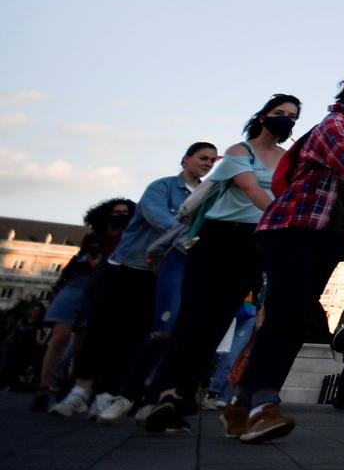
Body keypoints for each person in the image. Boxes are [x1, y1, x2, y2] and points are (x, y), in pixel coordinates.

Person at [237, 60, 344, 444]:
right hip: (296, 227)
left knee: (294, 316)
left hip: (329, 236)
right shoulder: (335, 126)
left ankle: (242, 398)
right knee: (285, 313)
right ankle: (262, 404)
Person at [140, 95, 302, 434]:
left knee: (218, 323)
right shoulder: (239, 152)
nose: (285, 120)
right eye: (279, 113)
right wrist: (282, 217)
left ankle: (184, 395)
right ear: (262, 116)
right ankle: (165, 393)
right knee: (193, 318)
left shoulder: (289, 159)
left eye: (292, 116)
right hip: (219, 238)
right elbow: (250, 190)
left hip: (256, 243)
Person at [53, 143, 217, 420]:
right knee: (101, 330)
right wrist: (193, 233)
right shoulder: (162, 187)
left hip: (161, 274)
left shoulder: (206, 194)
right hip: (128, 266)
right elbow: (157, 217)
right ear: (186, 159)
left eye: (212, 160)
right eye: (203, 158)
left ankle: (107, 392)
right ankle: (79, 391)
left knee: (134, 335)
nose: (208, 163)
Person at [32, 218, 114, 412]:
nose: (118, 215)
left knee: (83, 344)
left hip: (100, 288)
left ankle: (75, 388)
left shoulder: (125, 238)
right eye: (114, 213)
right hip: (76, 285)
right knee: (59, 337)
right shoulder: (93, 239)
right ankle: (44, 388)